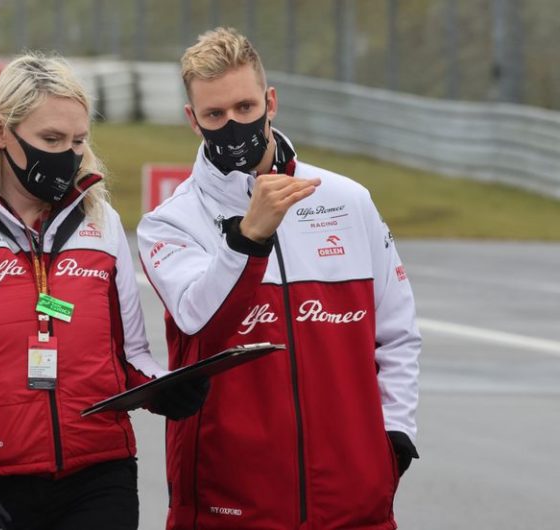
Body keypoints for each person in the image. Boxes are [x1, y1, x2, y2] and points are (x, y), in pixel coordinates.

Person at [0, 52, 206, 530]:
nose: (68, 154)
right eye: (51, 139)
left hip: (99, 477)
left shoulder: (104, 222)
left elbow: (130, 355)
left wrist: (163, 389)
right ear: (0, 132)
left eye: (79, 141)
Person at [137, 27, 421, 530]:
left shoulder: (347, 199)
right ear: (192, 120)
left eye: (244, 108)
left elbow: (396, 333)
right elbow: (199, 322)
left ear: (270, 101)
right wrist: (247, 239)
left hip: (353, 502)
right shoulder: (169, 222)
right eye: (214, 115)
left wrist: (394, 434)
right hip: (230, 503)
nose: (232, 125)